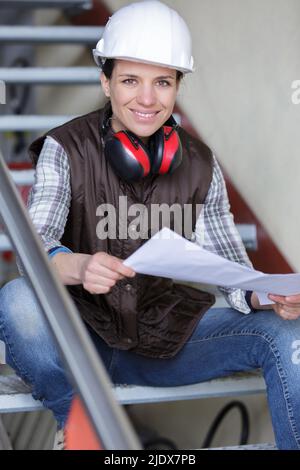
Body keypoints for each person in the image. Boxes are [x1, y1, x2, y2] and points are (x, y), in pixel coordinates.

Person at [0, 0, 300, 450]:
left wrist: (264, 292)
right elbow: (35, 250)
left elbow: (233, 274)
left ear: (178, 86)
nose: (146, 98)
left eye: (162, 82)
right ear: (105, 82)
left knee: (288, 333)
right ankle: (78, 422)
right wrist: (80, 266)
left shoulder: (200, 164)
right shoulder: (65, 149)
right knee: (17, 299)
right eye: (129, 80)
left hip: (165, 338)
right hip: (80, 342)